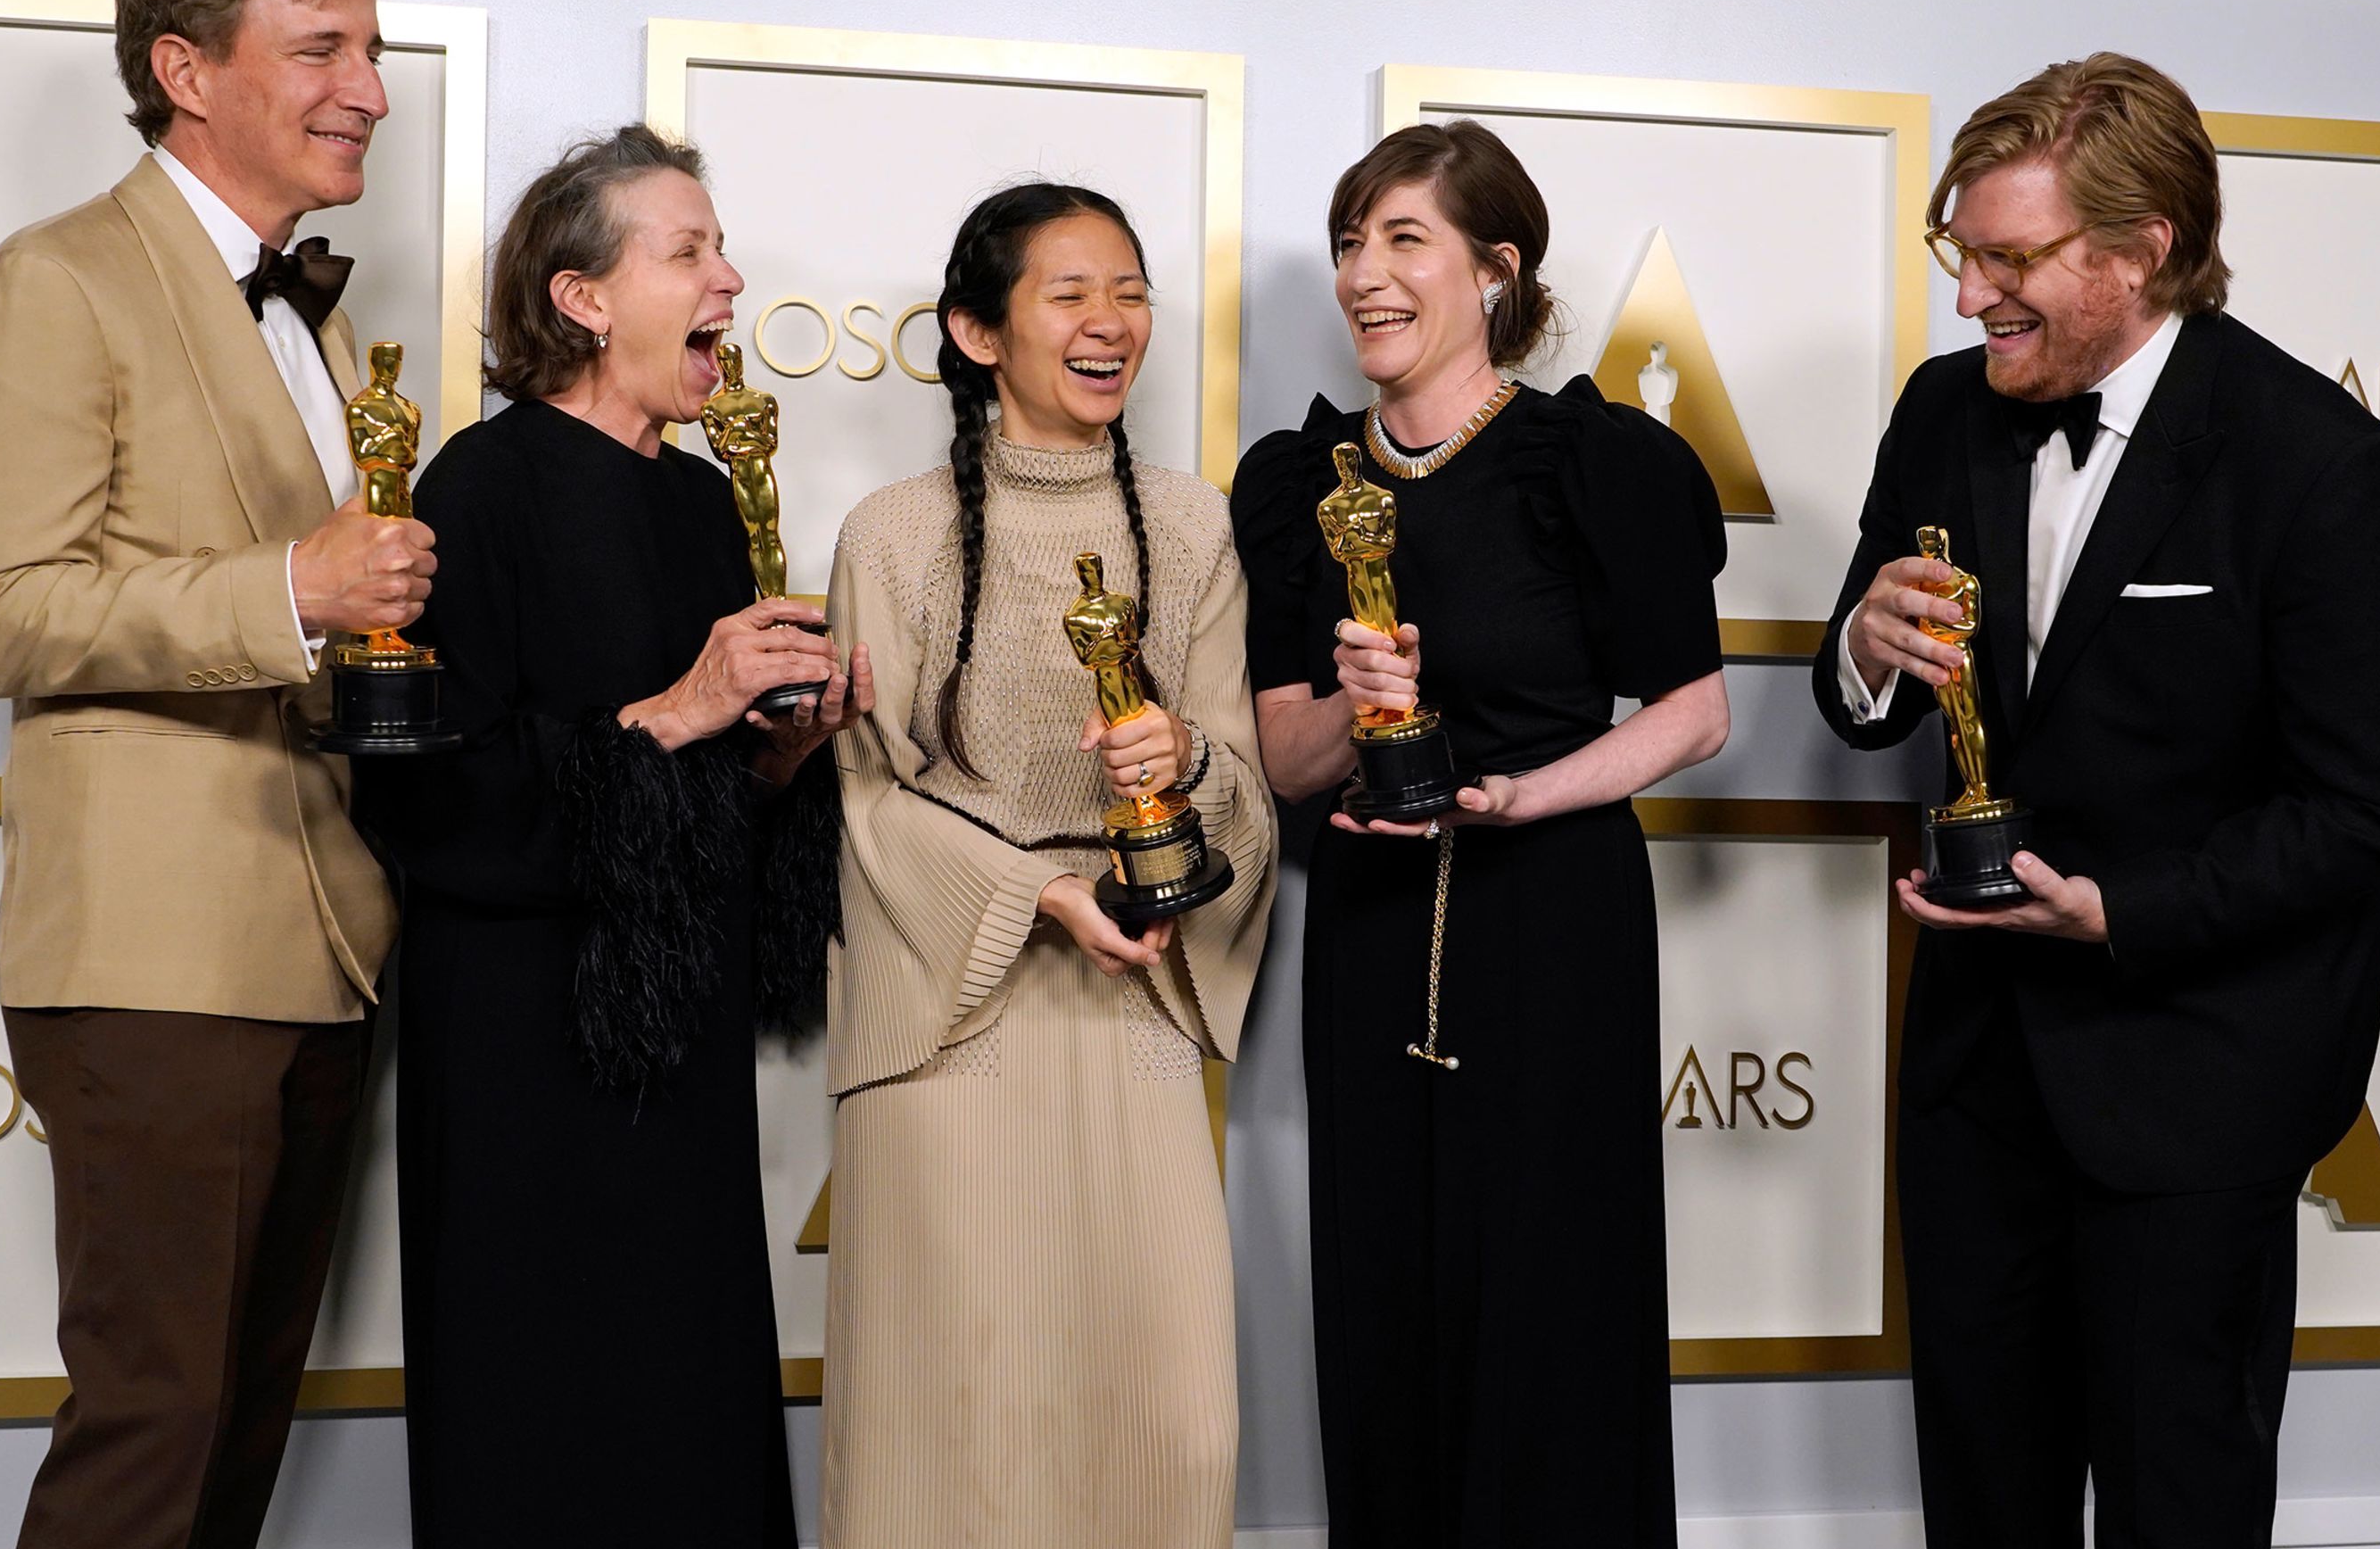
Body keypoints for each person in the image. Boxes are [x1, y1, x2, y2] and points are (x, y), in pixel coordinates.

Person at [1813, 54, 2380, 1548]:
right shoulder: (1943, 412)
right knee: (1983, 1501)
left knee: (2182, 1507)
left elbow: (2377, 803)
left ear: (2143, 247)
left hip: (2196, 1085)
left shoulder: (2319, 463)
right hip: (1976, 1081)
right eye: (1960, 254)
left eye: (2012, 260)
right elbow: (1867, 695)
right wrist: (1863, 644)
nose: (1972, 298)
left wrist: (2123, 910)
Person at [0, 0, 417, 1549]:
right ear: (185, 70)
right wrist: (289, 588)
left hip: (327, 943)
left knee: (239, 1432)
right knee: (152, 1433)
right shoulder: (49, 284)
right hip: (149, 954)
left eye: (372, 44)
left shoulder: (312, 316)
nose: (370, 86)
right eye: (322, 47)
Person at [1230, 120, 1731, 1547]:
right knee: (1385, 1294)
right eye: (1348, 243)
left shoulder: (1597, 460)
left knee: (1554, 1301)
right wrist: (1357, 694)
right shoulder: (1297, 480)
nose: (1362, 276)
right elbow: (1283, 751)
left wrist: (1526, 793)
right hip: (1376, 936)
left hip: (1550, 917)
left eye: (1403, 240)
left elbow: (1692, 715)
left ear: (1496, 270)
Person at [366, 126, 853, 1545]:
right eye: (689, 249)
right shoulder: (478, 484)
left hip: (677, 1038)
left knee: (686, 1396)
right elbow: (432, 795)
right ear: (580, 297)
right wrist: (685, 707)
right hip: (520, 1049)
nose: (731, 276)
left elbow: (704, 801)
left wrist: (785, 750)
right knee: (539, 1411)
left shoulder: (706, 499)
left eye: (721, 247)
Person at [821, 183, 1277, 1548]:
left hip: (1134, 1011)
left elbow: (1245, 788)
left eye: (1130, 290)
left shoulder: (1192, 526)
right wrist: (1036, 893)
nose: (1110, 322)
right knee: (952, 1423)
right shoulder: (891, 534)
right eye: (1068, 293)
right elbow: (863, 795)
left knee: (1168, 1423)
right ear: (976, 330)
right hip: (949, 1027)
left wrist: (1183, 762)